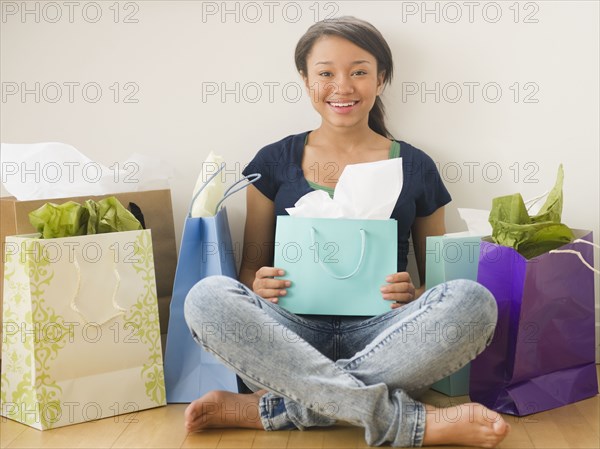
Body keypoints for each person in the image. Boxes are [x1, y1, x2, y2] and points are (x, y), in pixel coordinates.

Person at [183, 16, 510, 448]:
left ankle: (278, 408)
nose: (343, 86)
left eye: (359, 71)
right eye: (325, 73)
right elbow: (249, 272)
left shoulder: (416, 167)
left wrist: (411, 293)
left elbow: (438, 282)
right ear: (305, 79)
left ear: (381, 78)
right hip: (290, 338)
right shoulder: (273, 160)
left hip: (385, 338)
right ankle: (408, 422)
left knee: (473, 301)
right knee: (205, 298)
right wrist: (259, 286)